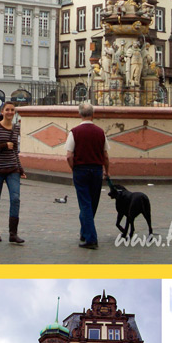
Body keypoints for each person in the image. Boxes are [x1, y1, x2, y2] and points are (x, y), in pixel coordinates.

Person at [65, 101, 110, 249]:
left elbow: (69, 155)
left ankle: (90, 238)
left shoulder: (74, 132)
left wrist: (74, 168)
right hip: (96, 170)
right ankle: (85, 233)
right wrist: (106, 170)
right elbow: (106, 155)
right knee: (92, 203)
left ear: (79, 114)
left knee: (85, 204)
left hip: (81, 170)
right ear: (93, 114)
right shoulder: (100, 132)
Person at [0, 101, 26, 243]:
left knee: (15, 198)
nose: (10, 112)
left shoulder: (16, 128)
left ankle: (13, 233)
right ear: (2, 112)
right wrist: (3, 146)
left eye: (12, 110)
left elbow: (15, 150)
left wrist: (20, 168)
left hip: (12, 168)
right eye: (7, 110)